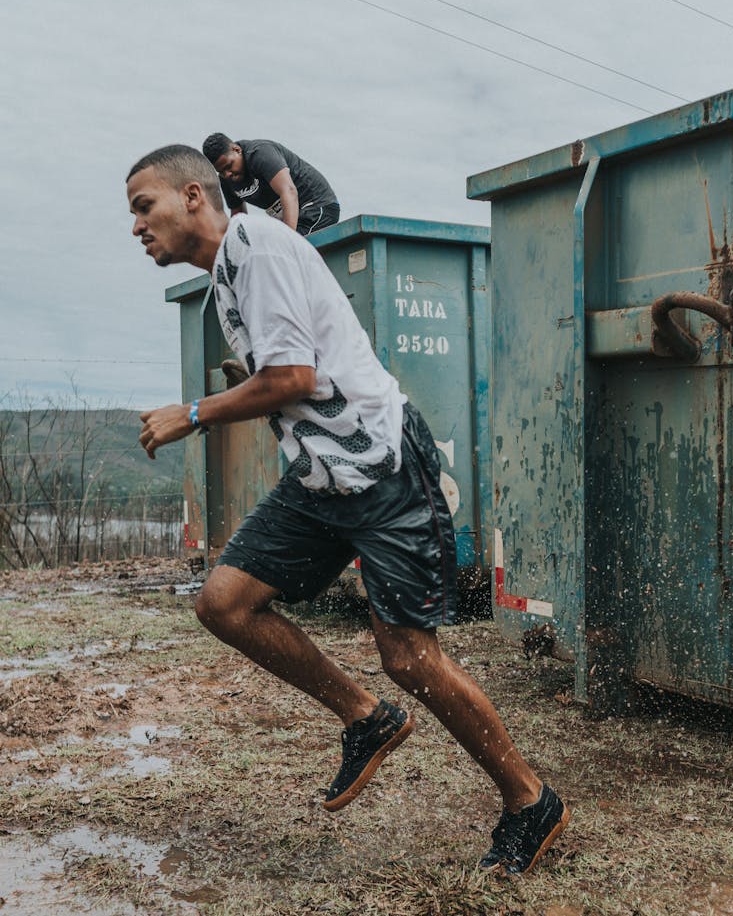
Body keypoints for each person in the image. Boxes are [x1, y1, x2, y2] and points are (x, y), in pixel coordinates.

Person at [126, 144, 570, 876]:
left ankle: (530, 800)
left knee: (409, 657)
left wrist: (195, 412)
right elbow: (294, 365)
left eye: (146, 207)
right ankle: (367, 718)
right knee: (224, 602)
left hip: (385, 465)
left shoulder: (258, 245)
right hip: (320, 476)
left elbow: (296, 376)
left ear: (196, 197)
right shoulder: (226, 277)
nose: (137, 226)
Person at [202, 133, 339, 236]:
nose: (227, 174)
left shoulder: (260, 154)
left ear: (237, 150)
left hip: (316, 207)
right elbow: (238, 216)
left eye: (229, 166)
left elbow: (289, 191)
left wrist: (288, 239)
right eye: (221, 171)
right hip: (293, 220)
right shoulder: (227, 180)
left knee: (284, 253)